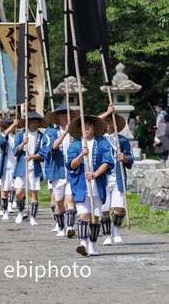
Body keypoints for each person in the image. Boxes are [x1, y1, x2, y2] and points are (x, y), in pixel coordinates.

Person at [66, 115, 113, 256]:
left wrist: (95, 174)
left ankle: (92, 246)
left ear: (94, 128)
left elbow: (107, 162)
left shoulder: (102, 143)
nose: (86, 128)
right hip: (80, 185)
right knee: (83, 215)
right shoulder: (74, 145)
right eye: (83, 125)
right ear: (79, 128)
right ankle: (82, 244)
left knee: (95, 217)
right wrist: (81, 154)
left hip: (97, 185)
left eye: (89, 125)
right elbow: (71, 165)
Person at [99, 105, 134, 245]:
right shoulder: (98, 139)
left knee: (120, 208)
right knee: (104, 208)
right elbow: (87, 126)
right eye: (106, 121)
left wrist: (124, 158)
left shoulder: (122, 140)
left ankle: (116, 229)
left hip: (118, 177)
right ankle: (106, 235)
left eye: (111, 121)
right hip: (102, 178)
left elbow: (130, 159)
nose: (108, 124)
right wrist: (107, 112)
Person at [43, 104, 79, 237]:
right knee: (59, 202)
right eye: (62, 115)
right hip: (57, 171)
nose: (64, 118)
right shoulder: (50, 132)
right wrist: (65, 132)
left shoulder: (76, 132)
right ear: (58, 117)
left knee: (70, 199)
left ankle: (70, 227)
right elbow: (52, 148)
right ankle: (60, 226)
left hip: (72, 172)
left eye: (66, 115)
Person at [13, 112, 47, 225]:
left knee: (34, 193)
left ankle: (33, 217)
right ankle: (20, 211)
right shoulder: (21, 134)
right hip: (22, 167)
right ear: (28, 122)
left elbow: (42, 153)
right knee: (18, 192)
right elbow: (14, 150)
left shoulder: (41, 136)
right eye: (33, 121)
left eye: (37, 122)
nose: (35, 124)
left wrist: (32, 157)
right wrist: (23, 143)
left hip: (34, 167)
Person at [0, 117, 19, 221]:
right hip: (7, 166)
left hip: (18, 166)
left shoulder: (20, 135)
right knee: (5, 190)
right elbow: (1, 140)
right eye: (10, 124)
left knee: (18, 189)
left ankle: (17, 208)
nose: (13, 125)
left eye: (13, 123)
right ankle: (5, 210)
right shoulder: (5, 135)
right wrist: (12, 126)